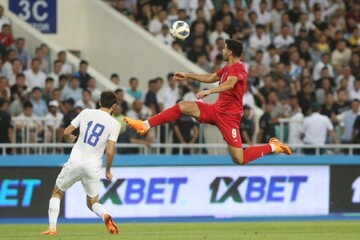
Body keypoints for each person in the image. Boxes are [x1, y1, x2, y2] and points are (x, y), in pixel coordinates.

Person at [124, 39, 291, 165]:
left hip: (229, 118)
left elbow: (230, 83)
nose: (223, 50)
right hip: (215, 110)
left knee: (239, 159)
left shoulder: (239, 68)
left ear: (231, 52)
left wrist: (209, 91)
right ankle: (144, 125)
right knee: (183, 106)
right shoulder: (226, 68)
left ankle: (273, 146)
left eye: (225, 48)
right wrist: (188, 75)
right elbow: (211, 77)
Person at [41, 91, 120, 235]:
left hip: (75, 161)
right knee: (92, 203)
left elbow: (66, 132)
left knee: (57, 193)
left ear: (99, 102)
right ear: (114, 106)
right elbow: (109, 151)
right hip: (93, 166)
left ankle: (52, 227)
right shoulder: (115, 124)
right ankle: (105, 215)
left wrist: (70, 138)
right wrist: (108, 171)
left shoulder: (86, 113)